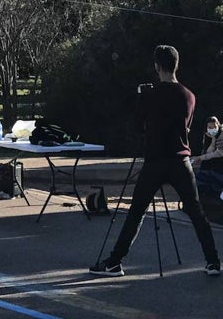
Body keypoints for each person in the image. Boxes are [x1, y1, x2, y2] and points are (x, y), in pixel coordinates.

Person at [90, 45, 220, 277]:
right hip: (181, 160)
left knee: (136, 212)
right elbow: (186, 126)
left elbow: (139, 126)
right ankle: (213, 261)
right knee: (196, 211)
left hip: (156, 160)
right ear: (176, 65)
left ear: (157, 66)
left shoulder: (150, 94)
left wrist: (142, 99)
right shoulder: (189, 95)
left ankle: (114, 262)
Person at [193, 116, 223, 199]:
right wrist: (213, 140)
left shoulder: (221, 136)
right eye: (210, 127)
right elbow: (208, 152)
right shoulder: (207, 136)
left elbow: (217, 154)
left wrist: (200, 158)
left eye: (214, 127)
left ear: (218, 125)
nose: (212, 129)